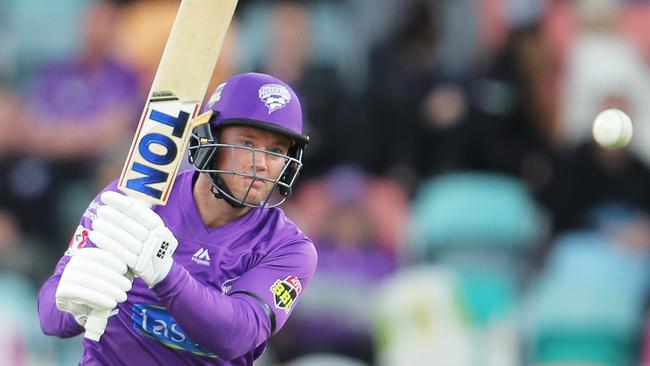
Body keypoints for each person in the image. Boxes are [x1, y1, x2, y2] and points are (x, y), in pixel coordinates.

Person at [36, 72, 318, 365]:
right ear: (209, 140)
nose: (260, 163)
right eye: (247, 144)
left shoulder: (289, 248)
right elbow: (49, 318)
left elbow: (237, 335)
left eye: (275, 151)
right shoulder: (133, 197)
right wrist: (74, 303)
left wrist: (162, 271)